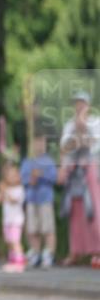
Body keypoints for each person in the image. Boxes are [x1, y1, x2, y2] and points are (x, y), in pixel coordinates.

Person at [58, 91, 100, 267]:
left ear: (88, 105)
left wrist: (81, 128)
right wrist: (62, 168)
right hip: (73, 170)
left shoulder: (95, 122)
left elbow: (93, 144)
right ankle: (75, 252)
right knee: (75, 212)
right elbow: (65, 148)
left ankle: (97, 252)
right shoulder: (69, 125)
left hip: (90, 169)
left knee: (94, 210)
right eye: (77, 103)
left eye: (82, 103)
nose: (79, 106)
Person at [21, 133, 58, 268]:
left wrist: (41, 175)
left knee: (48, 228)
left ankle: (49, 253)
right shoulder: (27, 161)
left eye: (42, 142)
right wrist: (30, 179)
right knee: (32, 228)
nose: (39, 145)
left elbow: (54, 177)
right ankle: (35, 253)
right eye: (36, 142)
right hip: (31, 199)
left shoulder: (49, 161)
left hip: (45, 199)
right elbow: (23, 178)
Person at [0, 162, 26, 273]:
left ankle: (20, 262)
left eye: (15, 176)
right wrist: (1, 191)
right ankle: (12, 261)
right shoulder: (6, 189)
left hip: (16, 220)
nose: (12, 178)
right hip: (7, 220)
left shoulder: (20, 189)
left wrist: (5, 191)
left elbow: (13, 201)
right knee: (9, 241)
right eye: (9, 176)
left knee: (15, 241)